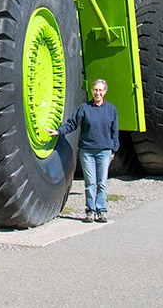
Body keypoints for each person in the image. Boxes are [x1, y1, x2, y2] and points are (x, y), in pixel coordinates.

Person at [48, 79, 119, 223]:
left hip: (104, 151)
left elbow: (114, 132)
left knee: (102, 182)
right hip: (87, 151)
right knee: (90, 183)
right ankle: (90, 211)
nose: (97, 93)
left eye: (100, 90)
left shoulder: (111, 109)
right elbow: (72, 124)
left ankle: (102, 211)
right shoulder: (84, 108)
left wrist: (113, 150)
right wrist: (58, 131)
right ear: (92, 91)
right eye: (95, 90)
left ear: (104, 92)